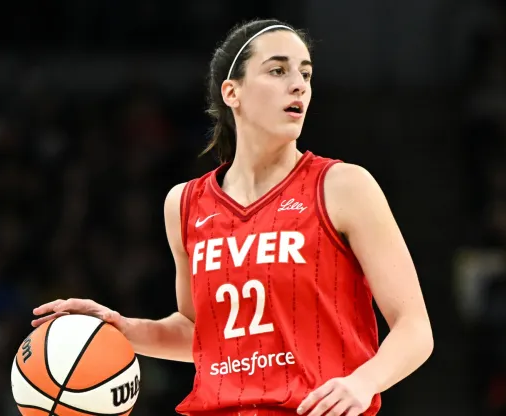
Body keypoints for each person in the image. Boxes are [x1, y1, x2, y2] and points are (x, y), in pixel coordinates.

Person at [32, 18, 433, 416]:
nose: (299, 84)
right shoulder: (185, 204)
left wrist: (364, 381)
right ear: (232, 92)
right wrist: (122, 329)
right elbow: (199, 333)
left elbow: (415, 329)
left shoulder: (343, 186)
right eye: (278, 70)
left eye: (305, 73)